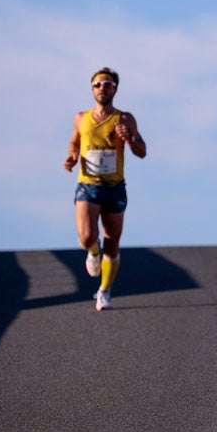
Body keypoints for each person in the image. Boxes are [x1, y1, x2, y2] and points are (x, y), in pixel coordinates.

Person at [63, 67, 147, 311]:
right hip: (88, 185)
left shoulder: (125, 119)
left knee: (112, 242)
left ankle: (104, 291)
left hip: (114, 187)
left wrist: (129, 138)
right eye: (98, 84)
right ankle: (92, 251)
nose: (102, 88)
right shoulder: (81, 118)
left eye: (108, 84)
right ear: (92, 89)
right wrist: (72, 157)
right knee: (86, 237)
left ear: (115, 89)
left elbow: (142, 151)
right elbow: (74, 142)